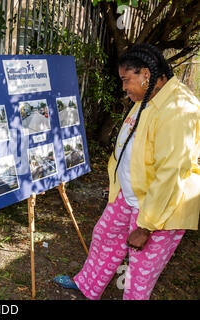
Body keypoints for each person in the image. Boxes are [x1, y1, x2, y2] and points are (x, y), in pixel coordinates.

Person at [53, 43, 199, 300]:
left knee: (139, 272)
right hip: (132, 195)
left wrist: (146, 227)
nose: (124, 87)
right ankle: (87, 285)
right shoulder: (148, 96)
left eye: (126, 80)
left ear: (146, 74)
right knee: (104, 236)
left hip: (159, 208)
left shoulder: (179, 109)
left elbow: (171, 174)